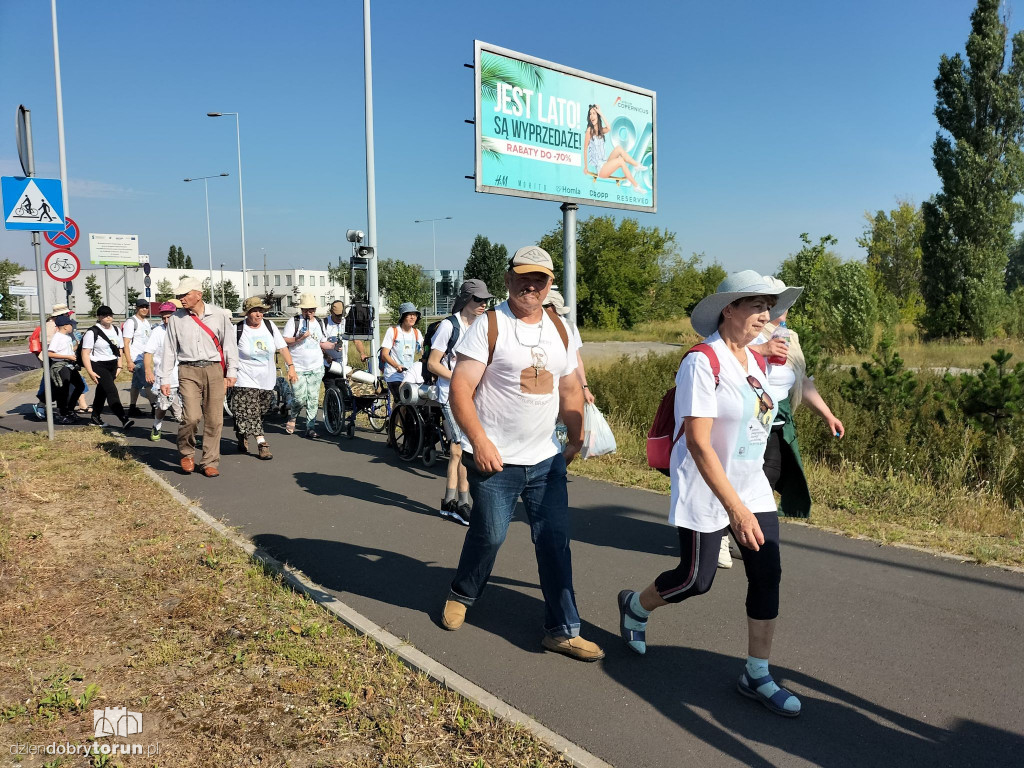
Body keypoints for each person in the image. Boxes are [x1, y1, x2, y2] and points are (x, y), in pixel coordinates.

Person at [616, 270, 807, 717]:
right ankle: (635, 606)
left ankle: (757, 674)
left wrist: (750, 498)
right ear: (729, 309)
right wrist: (735, 509)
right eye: (757, 306)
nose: (767, 315)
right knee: (695, 580)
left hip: (751, 485)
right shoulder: (701, 363)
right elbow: (700, 443)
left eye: (770, 307)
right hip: (707, 485)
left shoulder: (754, 361)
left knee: (767, 573)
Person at [441, 246, 603, 662]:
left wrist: (575, 437)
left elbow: (569, 388)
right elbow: (461, 389)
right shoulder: (490, 325)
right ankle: (463, 591)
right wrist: (479, 441)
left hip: (546, 459)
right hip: (496, 459)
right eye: (523, 278)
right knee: (490, 534)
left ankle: (562, 630)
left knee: (554, 541)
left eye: (541, 279)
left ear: (550, 284)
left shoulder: (560, 329)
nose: (531, 286)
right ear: (509, 280)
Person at [426, 279, 493, 526]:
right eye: (478, 299)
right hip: (450, 395)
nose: (483, 304)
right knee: (462, 450)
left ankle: (449, 502)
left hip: (474, 396)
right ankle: (463, 504)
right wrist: (460, 378)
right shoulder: (448, 326)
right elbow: (433, 363)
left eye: (486, 300)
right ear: (466, 299)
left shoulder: (483, 325)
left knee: (458, 451)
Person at [160, 276, 239, 477]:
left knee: (214, 418)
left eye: (184, 294)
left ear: (198, 294)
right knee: (192, 416)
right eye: (179, 296)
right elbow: (169, 349)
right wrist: (165, 378)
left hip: (214, 369)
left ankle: (210, 461)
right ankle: (186, 453)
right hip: (188, 370)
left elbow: (229, 344)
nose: (181, 299)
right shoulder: (176, 319)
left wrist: (231, 371)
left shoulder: (219, 315)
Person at [233, 296, 298, 460]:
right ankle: (262, 444)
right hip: (244, 378)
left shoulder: (270, 326)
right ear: (247, 313)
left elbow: (282, 347)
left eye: (260, 311)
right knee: (251, 410)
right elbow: (229, 354)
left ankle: (242, 432)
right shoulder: (238, 329)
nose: (258, 314)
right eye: (255, 311)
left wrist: (291, 368)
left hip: (266, 379)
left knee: (260, 411)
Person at [82, 305, 135, 432]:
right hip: (98, 365)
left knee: (102, 392)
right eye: (105, 315)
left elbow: (119, 349)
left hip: (112, 364)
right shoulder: (92, 332)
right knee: (112, 391)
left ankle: (95, 417)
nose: (108, 317)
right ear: (99, 317)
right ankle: (124, 419)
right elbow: (85, 353)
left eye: (110, 315)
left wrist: (119, 365)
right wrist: (90, 372)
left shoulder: (116, 330)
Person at [282, 294, 327, 438]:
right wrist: (299, 338)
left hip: (316, 366)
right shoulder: (294, 322)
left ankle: (310, 427)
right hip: (298, 367)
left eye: (312, 309)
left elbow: (322, 342)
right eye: (306, 310)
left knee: (313, 398)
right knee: (299, 398)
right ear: (301, 310)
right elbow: (285, 342)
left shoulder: (319, 322)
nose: (309, 312)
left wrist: (333, 346)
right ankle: (293, 416)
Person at [544, 289, 594, 406]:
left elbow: (577, 360)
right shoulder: (533, 325)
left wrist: (585, 388)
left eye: (544, 306)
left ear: (554, 307)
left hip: (565, 388)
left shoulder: (569, 326)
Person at [583, 104, 646, 193]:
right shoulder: (589, 130)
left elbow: (609, 128)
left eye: (594, 113)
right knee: (620, 160)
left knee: (619, 148)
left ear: (597, 116)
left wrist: (601, 113)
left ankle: (636, 165)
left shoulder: (600, 130)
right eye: (590, 114)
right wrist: (586, 167)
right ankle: (636, 186)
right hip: (601, 170)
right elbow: (585, 149)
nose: (592, 116)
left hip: (605, 163)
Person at [144, 300, 183, 441]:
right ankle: (157, 425)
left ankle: (187, 435)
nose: (166, 320)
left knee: (185, 410)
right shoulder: (158, 332)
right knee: (163, 406)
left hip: (184, 375)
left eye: (169, 317)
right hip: (166, 377)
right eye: (163, 317)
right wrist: (148, 371)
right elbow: (148, 353)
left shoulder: (183, 329)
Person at [46, 314, 85, 424]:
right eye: (70, 324)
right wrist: (67, 357)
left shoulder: (68, 337)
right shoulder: (57, 337)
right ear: (64, 326)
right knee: (63, 390)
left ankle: (70, 410)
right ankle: (62, 414)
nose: (72, 326)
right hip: (61, 366)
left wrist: (76, 347)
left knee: (80, 386)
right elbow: (50, 353)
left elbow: (68, 350)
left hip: (70, 365)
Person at [380, 302, 423, 402]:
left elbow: (423, 350)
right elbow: (384, 354)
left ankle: (395, 417)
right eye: (409, 314)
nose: (413, 317)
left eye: (414, 314)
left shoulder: (417, 333)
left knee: (410, 401)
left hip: (408, 374)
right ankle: (397, 417)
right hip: (394, 374)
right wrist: (396, 366)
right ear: (403, 317)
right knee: (402, 401)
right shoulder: (393, 331)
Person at [122, 297, 155, 417]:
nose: (144, 309)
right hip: (136, 358)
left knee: (136, 384)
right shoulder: (131, 322)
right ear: (137, 308)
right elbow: (126, 343)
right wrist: (129, 361)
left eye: (146, 307)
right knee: (148, 381)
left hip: (145, 357)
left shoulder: (146, 322)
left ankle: (132, 407)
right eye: (142, 307)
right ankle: (154, 406)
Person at [322, 299, 369, 379]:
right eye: (337, 315)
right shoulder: (324, 323)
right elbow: (319, 344)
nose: (340, 317)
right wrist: (326, 356)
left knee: (342, 388)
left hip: (343, 365)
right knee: (331, 388)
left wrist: (362, 353)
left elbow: (356, 340)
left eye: (342, 315)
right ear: (331, 312)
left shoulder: (347, 322)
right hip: (328, 364)